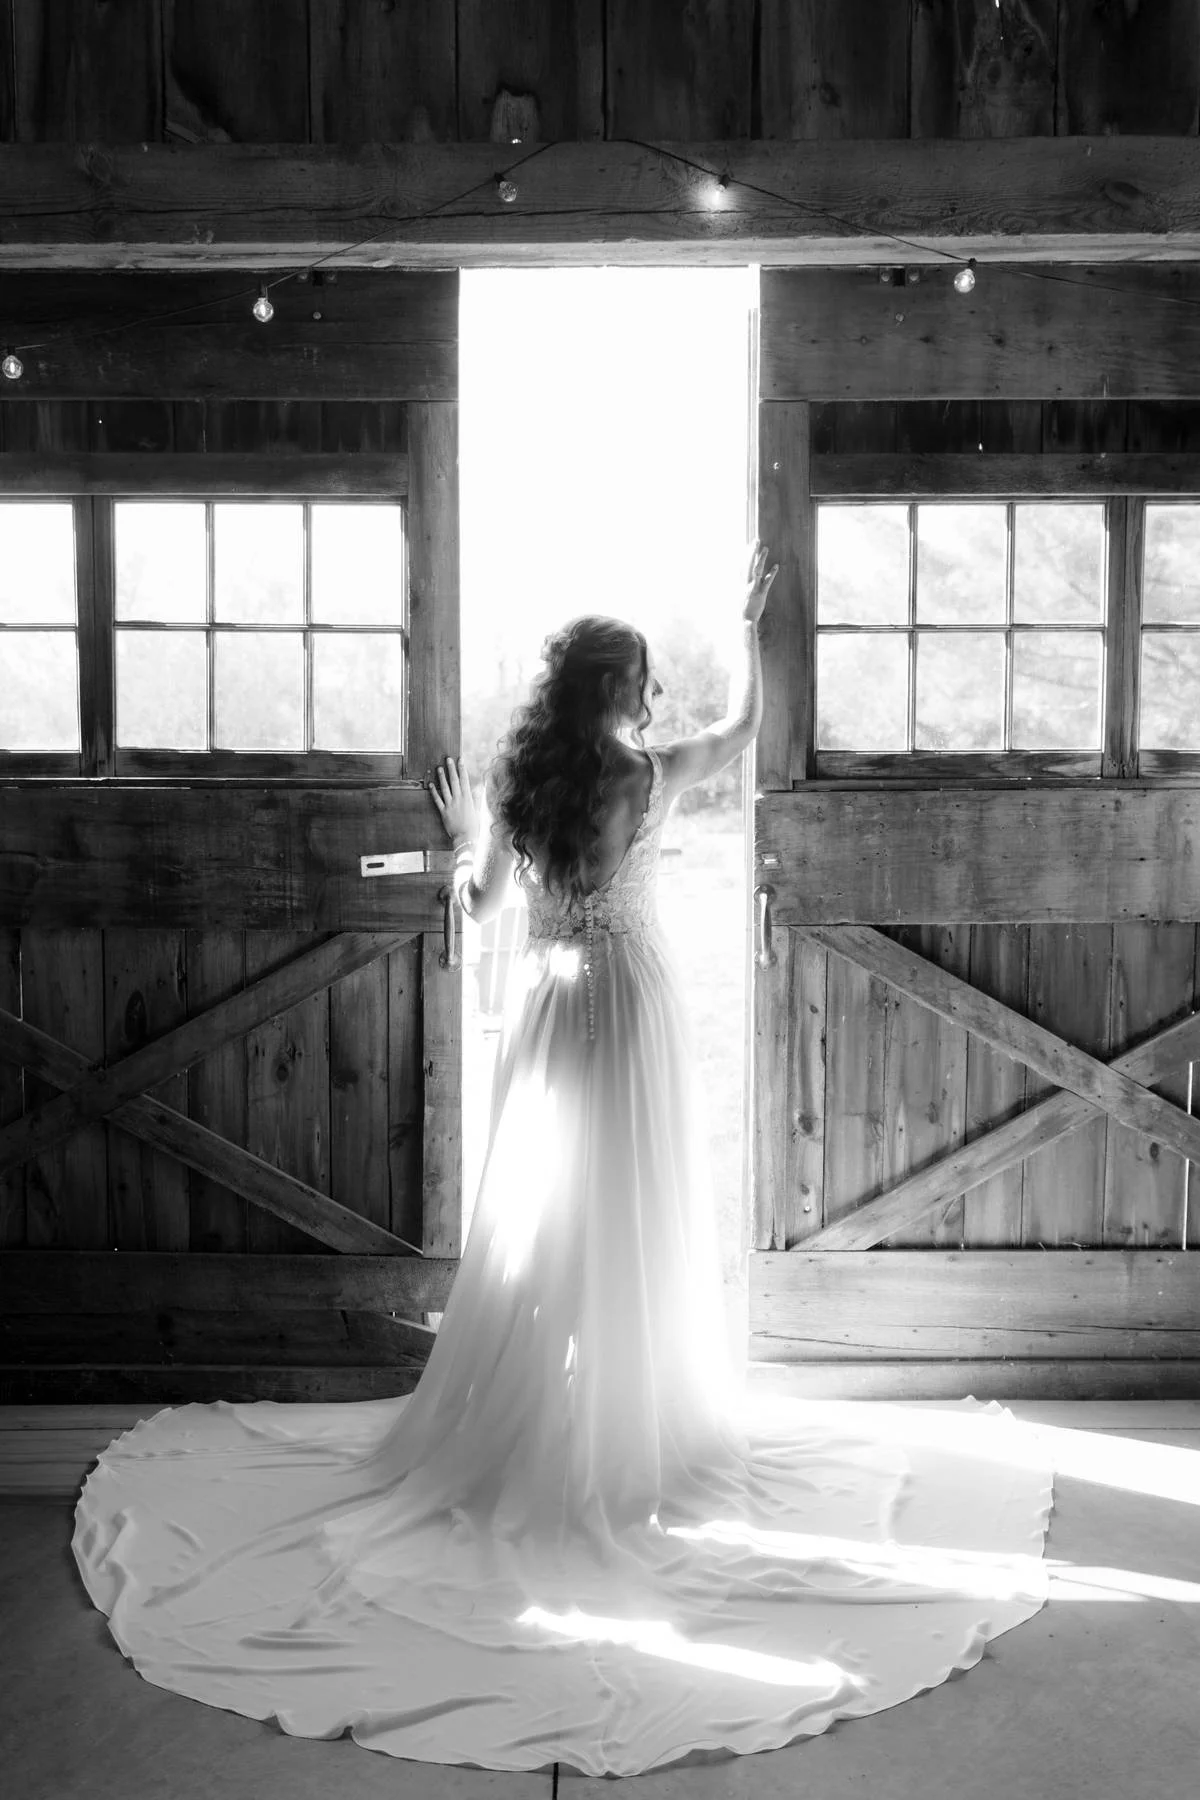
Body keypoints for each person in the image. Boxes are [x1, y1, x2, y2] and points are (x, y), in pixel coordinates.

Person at [72, 542, 1053, 1779]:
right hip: (625, 1005)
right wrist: (755, 623)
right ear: (619, 688)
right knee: (627, 1217)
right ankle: (619, 1433)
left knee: (549, 1222)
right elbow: (749, 729)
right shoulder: (647, 775)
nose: (647, 698)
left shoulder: (526, 787)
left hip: (549, 1004)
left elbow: (481, 909)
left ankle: (549, 1423)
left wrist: (466, 830)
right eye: (640, 677)